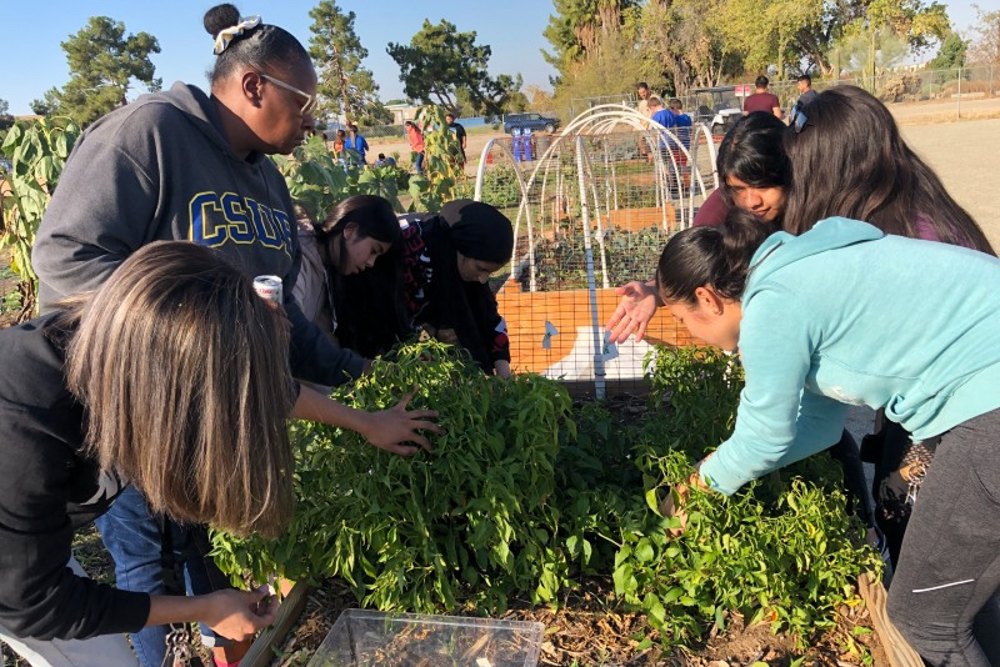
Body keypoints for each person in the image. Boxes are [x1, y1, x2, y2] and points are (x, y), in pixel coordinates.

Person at [28, 5, 435, 666]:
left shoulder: (268, 184)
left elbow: (284, 322)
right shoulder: (152, 133)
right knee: (145, 575)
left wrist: (365, 375)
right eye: (302, 101)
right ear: (253, 86)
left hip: (218, 430)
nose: (312, 119)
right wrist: (196, 333)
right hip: (136, 422)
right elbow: (66, 262)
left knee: (214, 575)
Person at [0, 242, 439, 667]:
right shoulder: (28, 419)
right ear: (170, 383)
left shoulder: (144, 354)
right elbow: (33, 603)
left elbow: (258, 389)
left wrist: (367, 423)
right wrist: (203, 608)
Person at [654, 216, 1000, 666]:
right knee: (957, 602)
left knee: (924, 618)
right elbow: (819, 425)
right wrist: (723, 461)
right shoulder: (797, 272)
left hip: (988, 400)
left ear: (707, 298)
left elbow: (764, 437)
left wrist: (697, 486)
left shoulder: (773, 304)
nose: (688, 334)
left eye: (683, 320)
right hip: (985, 390)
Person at [333, 200, 514, 377]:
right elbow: (382, 315)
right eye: (481, 269)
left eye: (489, 273)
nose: (483, 279)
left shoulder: (461, 259)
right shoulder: (412, 251)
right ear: (461, 250)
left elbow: (487, 315)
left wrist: (504, 373)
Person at [293, 194, 400, 342]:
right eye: (374, 251)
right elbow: (290, 330)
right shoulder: (298, 262)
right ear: (350, 230)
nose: (371, 263)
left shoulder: (328, 266)